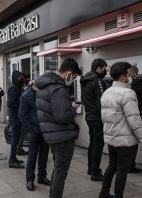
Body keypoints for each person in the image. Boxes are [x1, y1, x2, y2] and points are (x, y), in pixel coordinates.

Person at [99, 62, 142, 198]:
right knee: (122, 170)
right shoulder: (128, 93)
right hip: (125, 140)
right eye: (130, 74)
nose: (131, 77)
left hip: (111, 138)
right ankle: (118, 195)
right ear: (122, 78)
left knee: (111, 166)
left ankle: (103, 193)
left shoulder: (107, 92)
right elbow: (135, 121)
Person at [35, 58, 82, 198]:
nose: (72, 80)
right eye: (73, 77)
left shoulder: (45, 85)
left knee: (58, 169)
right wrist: (73, 109)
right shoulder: (58, 88)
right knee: (61, 173)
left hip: (52, 134)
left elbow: (50, 110)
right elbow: (62, 117)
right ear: (68, 73)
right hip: (62, 136)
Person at [19, 82, 50, 191]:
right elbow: (22, 114)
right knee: (32, 156)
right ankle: (30, 179)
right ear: (34, 86)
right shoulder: (26, 96)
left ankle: (42, 176)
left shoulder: (44, 93)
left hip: (45, 130)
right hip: (34, 131)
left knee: (44, 154)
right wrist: (30, 130)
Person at [80, 58, 108, 181]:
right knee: (98, 144)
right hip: (97, 117)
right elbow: (101, 102)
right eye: (104, 69)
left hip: (89, 116)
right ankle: (95, 172)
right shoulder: (97, 82)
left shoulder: (85, 80)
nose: (105, 71)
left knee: (93, 142)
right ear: (99, 68)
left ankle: (91, 168)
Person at [7, 70, 26, 168]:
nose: (21, 79)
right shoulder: (13, 88)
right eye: (19, 77)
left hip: (18, 117)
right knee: (15, 139)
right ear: (15, 78)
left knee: (17, 138)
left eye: (22, 77)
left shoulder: (18, 88)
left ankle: (14, 158)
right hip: (15, 117)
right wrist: (20, 108)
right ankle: (12, 160)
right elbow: (10, 103)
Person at [129, 65, 142, 173]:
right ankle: (130, 165)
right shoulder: (139, 84)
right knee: (133, 142)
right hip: (135, 115)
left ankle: (127, 164)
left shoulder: (124, 85)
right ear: (134, 73)